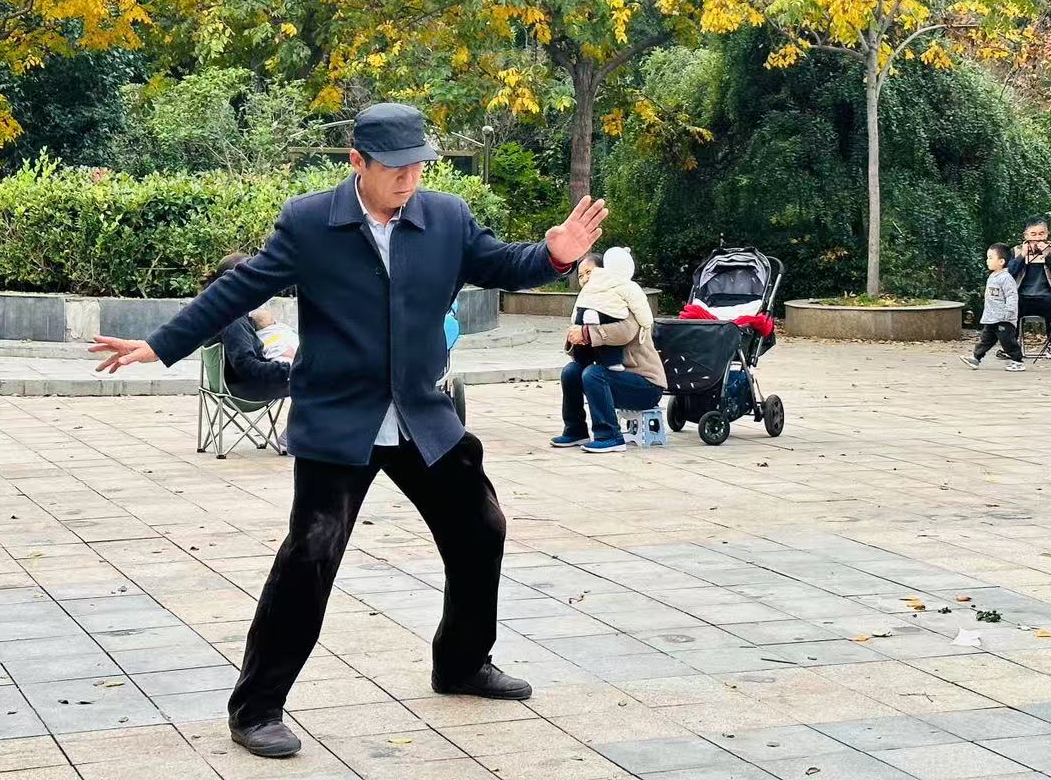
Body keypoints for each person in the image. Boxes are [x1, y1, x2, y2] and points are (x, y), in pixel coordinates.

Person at [89, 103, 605, 760]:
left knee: (482, 529)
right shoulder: (310, 222)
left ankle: (461, 662)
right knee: (310, 554)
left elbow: (502, 263)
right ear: (357, 161)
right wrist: (161, 344)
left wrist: (553, 255)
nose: (408, 179)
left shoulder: (445, 217)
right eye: (394, 168)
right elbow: (237, 290)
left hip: (422, 416)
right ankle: (256, 709)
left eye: (418, 166)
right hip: (340, 418)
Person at [552, 246, 667, 453]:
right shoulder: (589, 304)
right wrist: (575, 337)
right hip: (615, 378)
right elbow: (582, 348)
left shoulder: (621, 302)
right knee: (571, 371)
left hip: (645, 384)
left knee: (594, 374)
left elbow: (624, 332)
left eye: (590, 272)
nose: (585, 279)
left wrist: (586, 333)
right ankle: (575, 430)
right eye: (581, 275)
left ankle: (610, 435)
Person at [209, 253, 295, 402]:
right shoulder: (233, 318)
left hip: (237, 384)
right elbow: (247, 367)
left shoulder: (222, 309)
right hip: (246, 389)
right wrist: (290, 368)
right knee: (317, 380)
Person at [1010, 216, 1051, 358]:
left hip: (1047, 296)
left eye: (1041, 234)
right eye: (1033, 234)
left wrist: (1049, 257)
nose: (1038, 238)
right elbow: (1008, 275)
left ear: (1047, 234)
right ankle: (1011, 346)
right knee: (1011, 304)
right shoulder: (1016, 251)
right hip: (1022, 296)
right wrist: (1022, 256)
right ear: (1026, 236)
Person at [964, 242, 1023, 371]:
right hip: (991, 317)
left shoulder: (1006, 278)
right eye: (987, 258)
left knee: (1007, 341)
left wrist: (1009, 312)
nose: (987, 261)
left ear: (1001, 261)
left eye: (991, 258)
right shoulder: (992, 276)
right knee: (985, 339)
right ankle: (976, 358)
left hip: (1003, 318)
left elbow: (1012, 296)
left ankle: (1017, 361)